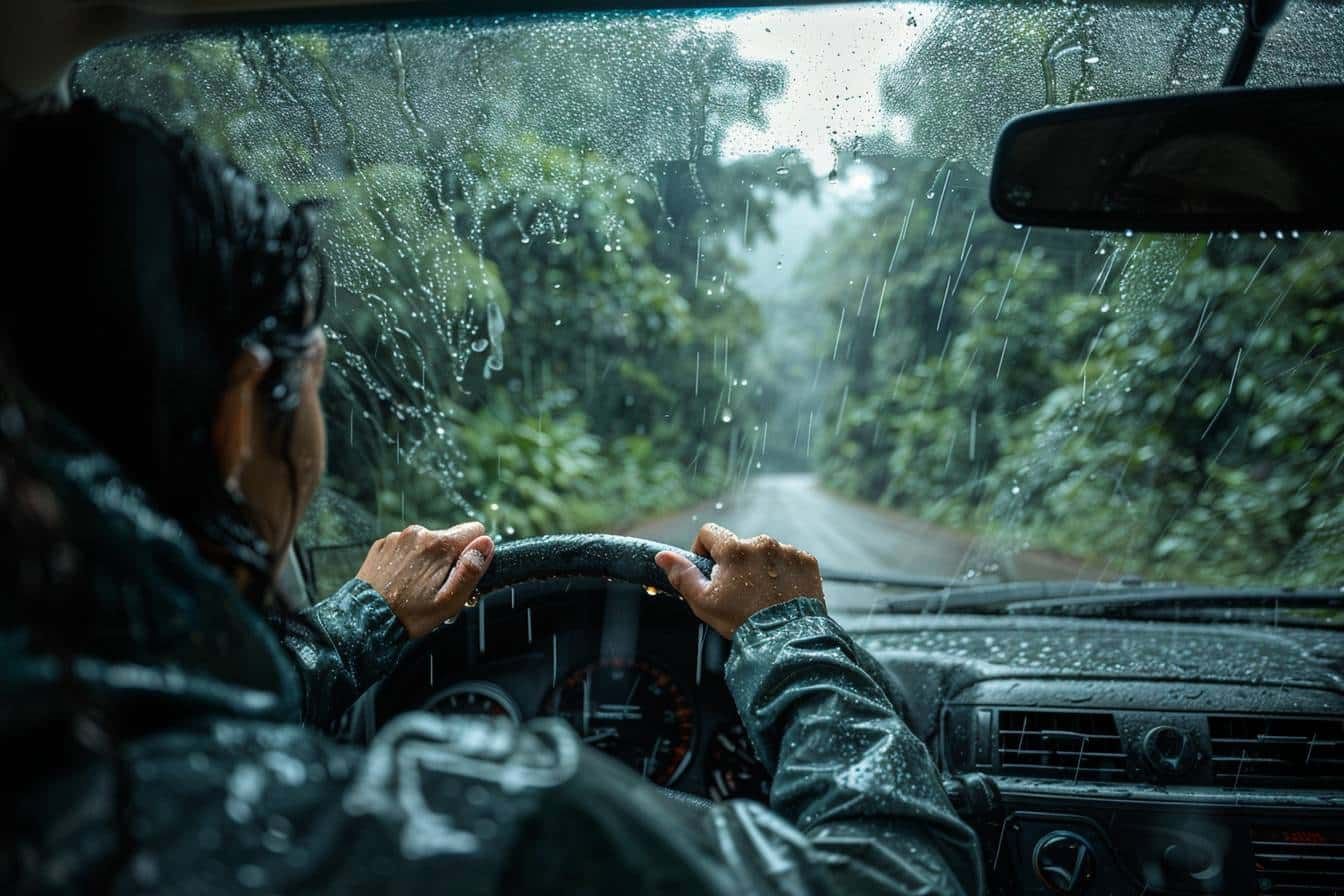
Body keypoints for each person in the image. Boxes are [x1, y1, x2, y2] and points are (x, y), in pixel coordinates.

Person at [1, 100, 983, 894]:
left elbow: (169, 714)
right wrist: (793, 636)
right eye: (316, 379)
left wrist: (358, 625)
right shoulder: (480, 824)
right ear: (235, 416)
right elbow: (903, 875)